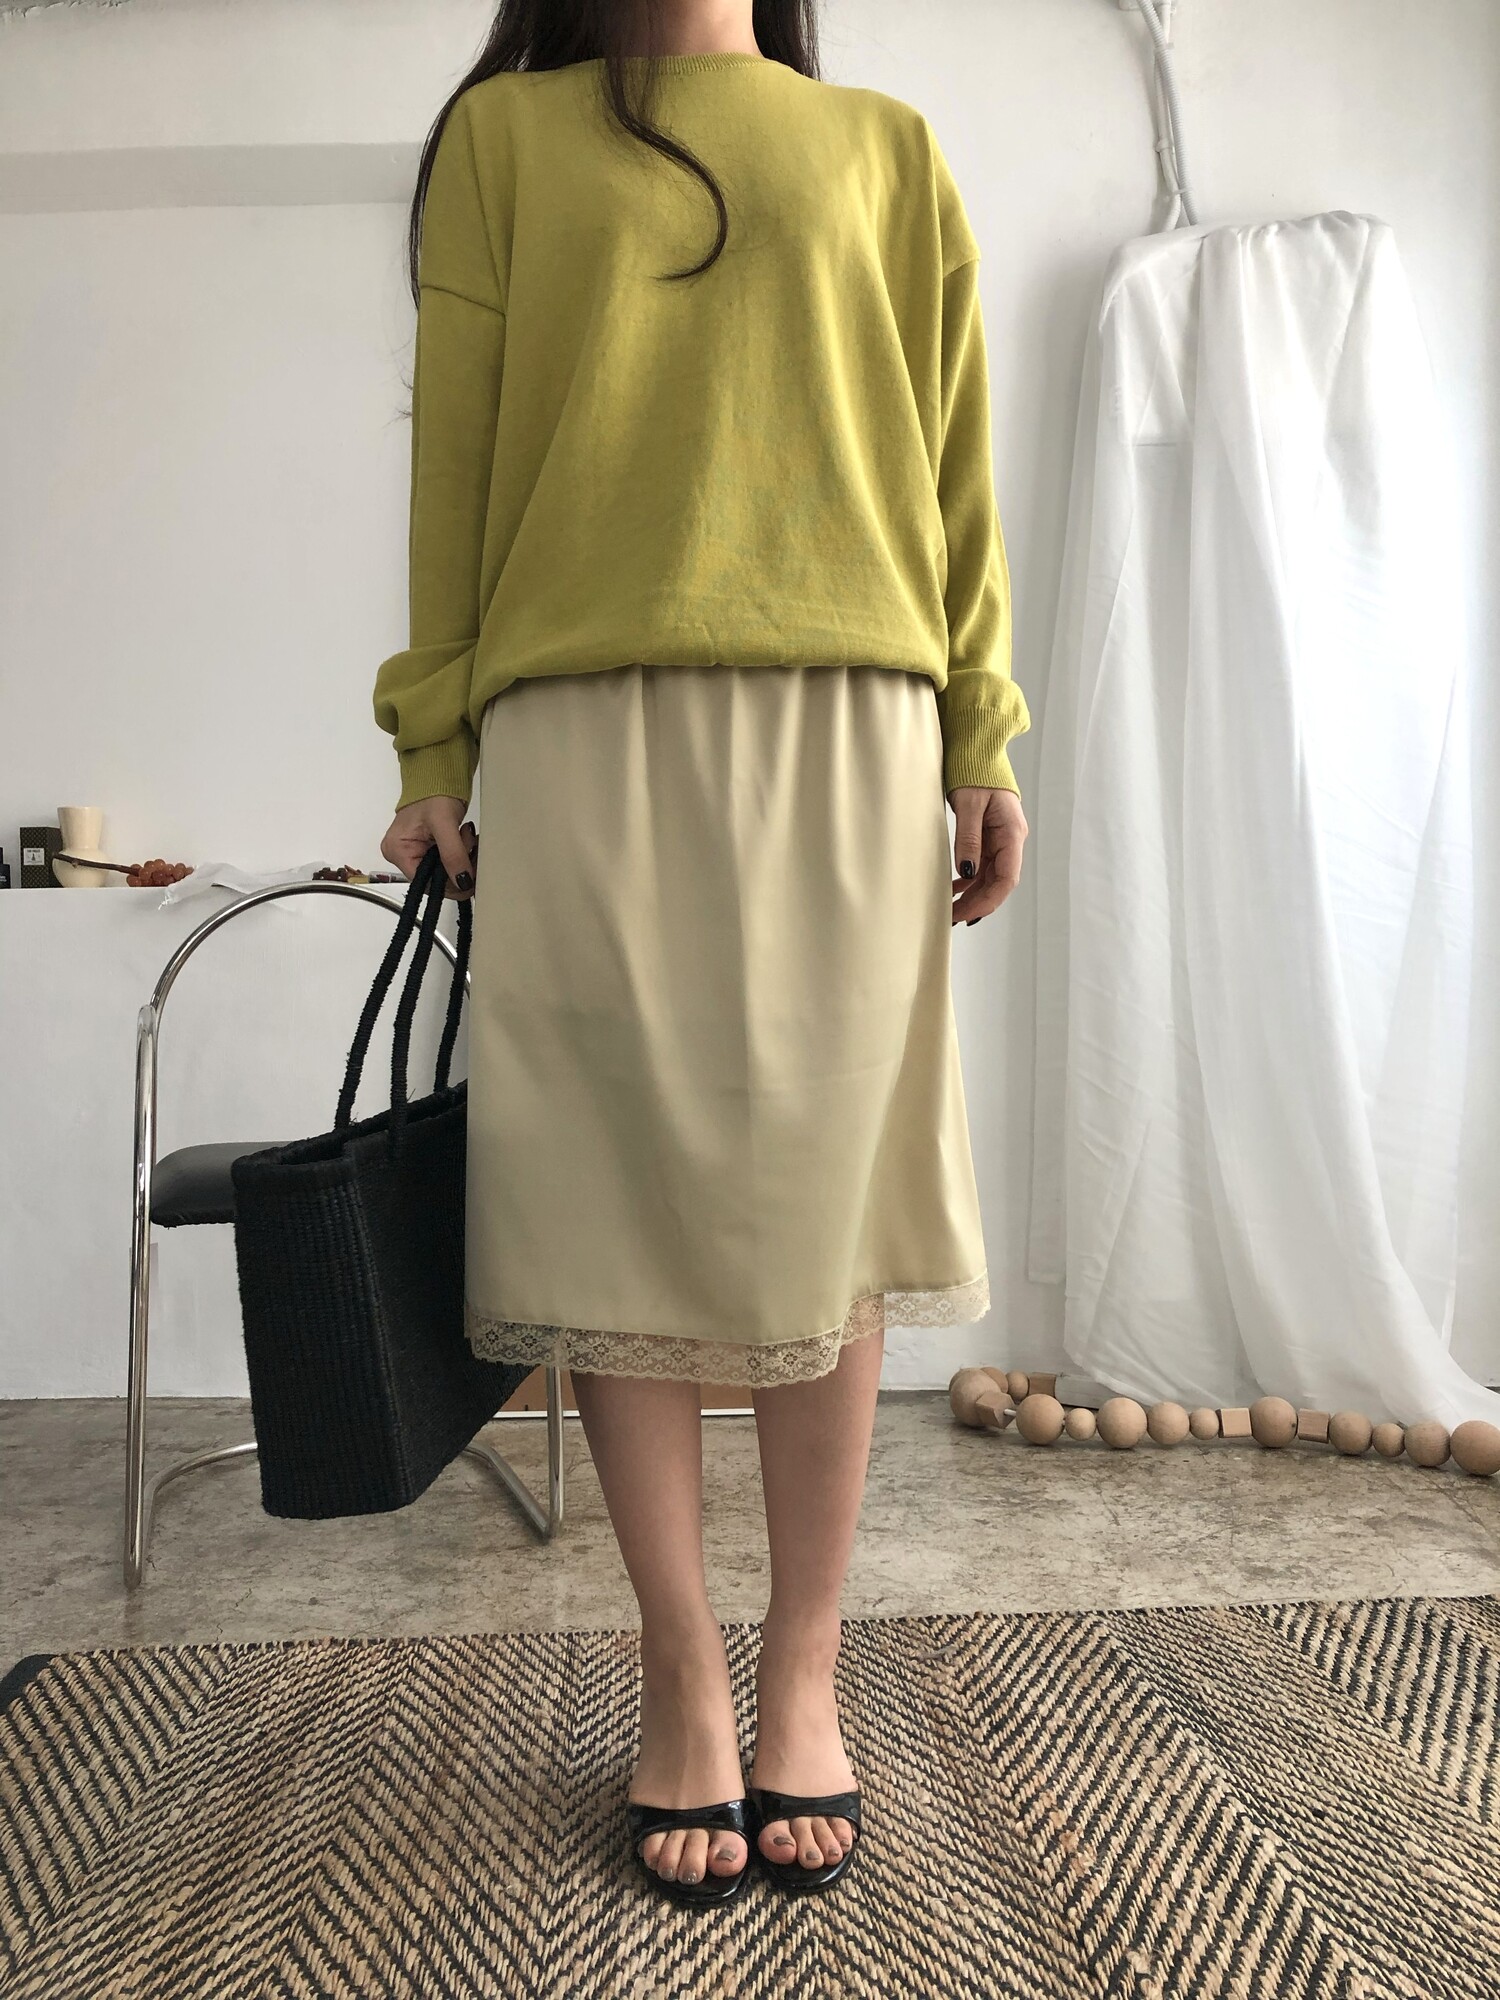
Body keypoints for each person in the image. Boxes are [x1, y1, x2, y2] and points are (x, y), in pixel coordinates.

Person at [374, 0, 1029, 1909]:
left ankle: (805, 1666)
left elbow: (954, 462)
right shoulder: (505, 144)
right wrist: (430, 747)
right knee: (606, 1196)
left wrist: (984, 733)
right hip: (581, 723)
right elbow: (457, 466)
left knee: (833, 1203)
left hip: (856, 713)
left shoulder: (885, 146)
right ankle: (679, 1663)